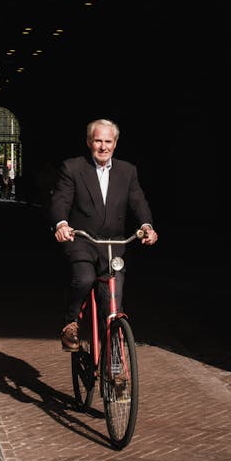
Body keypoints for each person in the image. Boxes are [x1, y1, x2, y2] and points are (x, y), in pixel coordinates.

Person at [50, 118, 158, 351]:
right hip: (81, 240)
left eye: (108, 141)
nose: (103, 147)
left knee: (113, 303)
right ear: (89, 142)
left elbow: (138, 201)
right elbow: (61, 199)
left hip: (113, 244)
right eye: (98, 141)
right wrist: (61, 224)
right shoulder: (73, 168)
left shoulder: (127, 171)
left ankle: (115, 363)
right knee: (85, 279)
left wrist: (147, 226)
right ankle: (71, 322)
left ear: (115, 143)